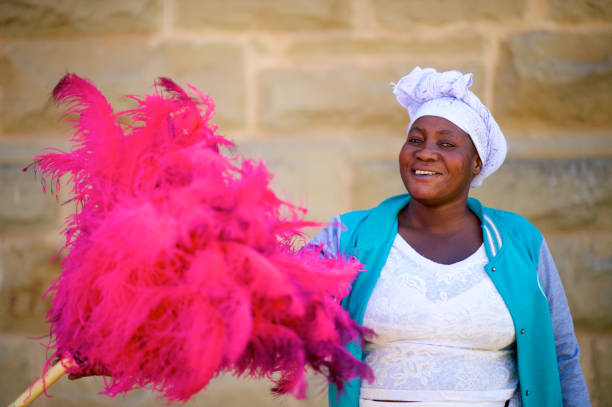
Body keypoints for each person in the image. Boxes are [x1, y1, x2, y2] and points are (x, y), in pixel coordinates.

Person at [310, 67, 590, 407]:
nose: (425, 152)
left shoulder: (520, 240)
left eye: (446, 143)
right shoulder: (349, 236)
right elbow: (275, 301)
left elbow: (561, 354)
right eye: (415, 139)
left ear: (476, 163)